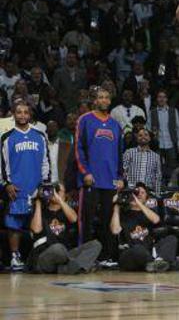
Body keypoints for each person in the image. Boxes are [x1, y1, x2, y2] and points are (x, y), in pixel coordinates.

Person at [75, 87, 124, 266]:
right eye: (100, 97)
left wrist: (120, 177)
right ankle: (84, 257)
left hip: (110, 182)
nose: (103, 100)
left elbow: (120, 154)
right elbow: (78, 149)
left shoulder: (115, 125)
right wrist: (85, 172)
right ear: (94, 100)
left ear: (110, 101)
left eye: (106, 97)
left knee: (108, 221)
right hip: (91, 180)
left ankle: (106, 257)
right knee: (86, 221)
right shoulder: (84, 120)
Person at [1, 101, 50, 271]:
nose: (22, 115)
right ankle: (15, 257)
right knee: (14, 224)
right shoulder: (6, 138)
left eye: (25, 112)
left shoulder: (40, 136)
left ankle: (37, 257)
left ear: (30, 115)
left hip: (36, 188)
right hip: (16, 189)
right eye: (19, 112)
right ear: (13, 114)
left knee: (37, 224)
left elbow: (46, 162)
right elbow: (2, 165)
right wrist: (7, 184)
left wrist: (45, 184)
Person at [29, 183, 101, 274]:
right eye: (54, 190)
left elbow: (74, 219)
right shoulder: (40, 211)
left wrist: (59, 200)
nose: (55, 193)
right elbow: (36, 229)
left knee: (96, 245)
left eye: (58, 190)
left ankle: (66, 268)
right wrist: (38, 202)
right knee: (58, 249)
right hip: (45, 255)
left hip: (65, 255)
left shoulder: (66, 212)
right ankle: (80, 265)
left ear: (65, 195)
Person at [110, 183, 178, 272]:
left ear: (147, 198)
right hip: (130, 252)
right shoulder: (123, 213)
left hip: (148, 252)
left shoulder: (148, 213)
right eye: (136, 192)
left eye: (142, 193)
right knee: (139, 249)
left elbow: (156, 220)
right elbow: (115, 230)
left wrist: (138, 203)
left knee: (171, 239)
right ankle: (161, 263)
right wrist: (116, 207)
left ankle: (158, 262)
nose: (139, 195)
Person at [151, 90, 179, 181]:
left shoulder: (173, 111)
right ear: (157, 99)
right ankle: (160, 183)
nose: (162, 99)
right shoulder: (152, 112)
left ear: (167, 99)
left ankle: (171, 183)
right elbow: (149, 128)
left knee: (172, 165)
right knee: (158, 166)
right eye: (159, 97)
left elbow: (178, 127)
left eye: (164, 97)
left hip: (171, 142)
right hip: (158, 143)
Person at [123, 128, 161, 195]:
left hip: (149, 192)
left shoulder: (156, 156)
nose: (143, 137)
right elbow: (123, 171)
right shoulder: (129, 152)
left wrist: (157, 194)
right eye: (140, 135)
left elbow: (157, 176)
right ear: (137, 139)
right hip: (132, 191)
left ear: (150, 138)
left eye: (146, 135)